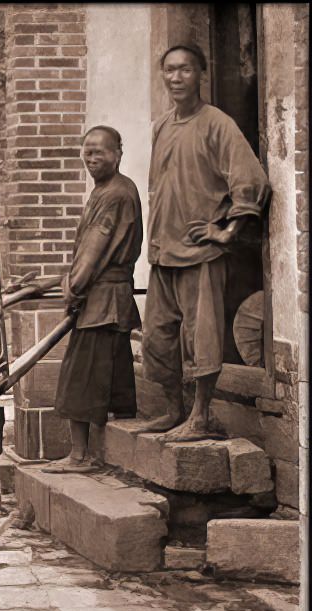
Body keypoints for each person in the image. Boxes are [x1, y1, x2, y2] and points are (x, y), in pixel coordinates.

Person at [140, 43, 270, 442]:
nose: (176, 78)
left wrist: (226, 231)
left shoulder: (218, 123)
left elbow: (252, 181)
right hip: (164, 251)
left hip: (200, 254)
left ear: (201, 74)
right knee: (158, 340)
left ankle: (201, 417)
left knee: (203, 337)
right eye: (170, 70)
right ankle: (174, 410)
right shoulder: (161, 126)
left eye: (185, 70)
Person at [44, 126, 143, 474]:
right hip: (107, 299)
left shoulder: (116, 193)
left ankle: (80, 457)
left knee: (82, 379)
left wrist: (73, 287)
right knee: (109, 378)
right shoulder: (106, 190)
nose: (91, 158)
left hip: (103, 301)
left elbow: (95, 250)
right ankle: (103, 457)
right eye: (86, 151)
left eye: (99, 151)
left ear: (118, 153)